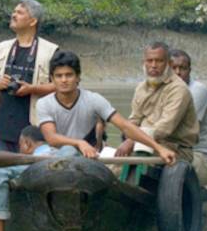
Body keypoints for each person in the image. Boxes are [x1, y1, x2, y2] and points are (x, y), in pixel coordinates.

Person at [38, 50, 177, 163]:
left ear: (78, 77)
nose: (64, 80)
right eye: (59, 76)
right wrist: (78, 143)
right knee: (66, 151)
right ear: (52, 79)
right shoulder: (44, 103)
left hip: (88, 158)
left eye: (69, 75)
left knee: (71, 152)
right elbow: (51, 137)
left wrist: (159, 148)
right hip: (55, 159)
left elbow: (125, 126)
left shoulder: (93, 100)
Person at [0, 0, 59, 152]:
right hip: (2, 127)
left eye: (20, 13)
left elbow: (60, 86)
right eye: (14, 11)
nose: (13, 15)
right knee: (0, 172)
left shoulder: (51, 51)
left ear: (33, 21)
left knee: (31, 173)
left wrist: (32, 89)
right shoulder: (2, 48)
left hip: (35, 129)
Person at [116, 42, 199, 163]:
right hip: (143, 144)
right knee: (108, 162)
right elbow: (134, 120)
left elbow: (164, 128)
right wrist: (128, 136)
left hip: (176, 149)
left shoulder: (179, 89)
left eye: (159, 61)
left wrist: (133, 140)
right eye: (149, 61)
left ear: (168, 64)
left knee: (127, 165)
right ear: (144, 63)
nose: (153, 65)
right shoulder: (141, 88)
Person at [169, 49, 207, 187]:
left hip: (202, 158)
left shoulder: (197, 91)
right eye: (173, 68)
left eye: (182, 68)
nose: (178, 73)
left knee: (164, 167)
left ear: (189, 71)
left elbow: (180, 131)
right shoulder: (162, 92)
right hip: (176, 152)